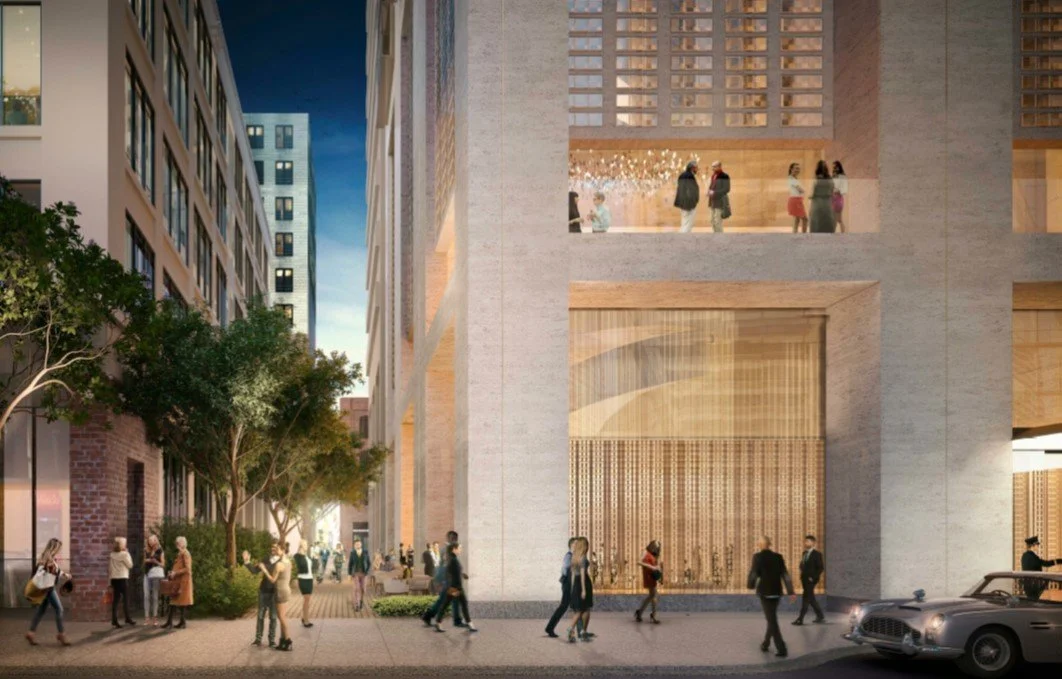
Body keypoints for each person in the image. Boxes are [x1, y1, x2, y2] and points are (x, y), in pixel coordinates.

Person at [747, 536, 796, 658]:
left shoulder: (757, 557)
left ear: (760, 544)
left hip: (765, 592)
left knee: (772, 620)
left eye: (758, 542)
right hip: (776, 592)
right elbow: (785, 575)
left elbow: (754, 573)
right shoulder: (778, 557)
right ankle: (766, 643)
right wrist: (791, 592)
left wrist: (750, 585)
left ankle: (781, 648)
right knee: (771, 618)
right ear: (769, 544)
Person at [25, 538, 70, 646]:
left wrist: (63, 574)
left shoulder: (44, 556)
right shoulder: (49, 559)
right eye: (59, 548)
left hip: (43, 587)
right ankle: (61, 634)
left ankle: (31, 632)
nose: (59, 550)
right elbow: (53, 571)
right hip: (48, 588)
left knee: (41, 610)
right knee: (59, 609)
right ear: (54, 547)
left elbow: (50, 570)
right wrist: (65, 575)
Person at [422, 530, 464, 627]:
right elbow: (446, 565)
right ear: (450, 538)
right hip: (448, 580)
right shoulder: (447, 550)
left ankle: (428, 615)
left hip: (448, 579)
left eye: (455, 539)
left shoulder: (448, 549)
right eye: (453, 538)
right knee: (453, 598)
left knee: (443, 600)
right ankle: (457, 620)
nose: (455, 540)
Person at [433, 542, 477, 633]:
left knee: (447, 604)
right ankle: (470, 624)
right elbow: (451, 573)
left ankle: (438, 622)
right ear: (454, 549)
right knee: (461, 604)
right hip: (455, 587)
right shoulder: (453, 560)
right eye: (459, 548)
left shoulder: (453, 559)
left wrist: (462, 575)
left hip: (454, 587)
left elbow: (455, 572)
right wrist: (458, 588)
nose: (460, 550)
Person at [259, 542, 293, 651]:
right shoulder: (289, 562)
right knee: (283, 616)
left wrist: (264, 570)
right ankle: (283, 641)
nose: (276, 551)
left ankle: (288, 641)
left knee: (282, 618)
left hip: (280, 591)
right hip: (286, 589)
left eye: (278, 549)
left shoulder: (279, 564)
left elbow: (273, 580)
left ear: (282, 550)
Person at [244, 545, 278, 647]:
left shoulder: (281, 562)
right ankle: (258, 639)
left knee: (273, 617)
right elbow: (254, 571)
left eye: (275, 548)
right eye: (271, 547)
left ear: (279, 549)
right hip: (263, 591)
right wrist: (247, 561)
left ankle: (271, 640)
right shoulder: (266, 559)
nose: (272, 549)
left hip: (274, 592)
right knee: (260, 616)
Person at [545, 537, 576, 638]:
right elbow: (564, 569)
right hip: (567, 584)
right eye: (575, 544)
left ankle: (550, 628)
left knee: (572, 607)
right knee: (563, 606)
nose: (577, 546)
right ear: (571, 545)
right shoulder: (569, 556)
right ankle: (550, 628)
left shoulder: (573, 556)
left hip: (570, 584)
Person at [792, 535, 824, 625]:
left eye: (808, 541)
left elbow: (820, 568)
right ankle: (820, 616)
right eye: (805, 541)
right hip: (804, 578)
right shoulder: (804, 553)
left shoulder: (817, 554)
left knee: (806, 598)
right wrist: (801, 568)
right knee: (811, 598)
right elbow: (802, 565)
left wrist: (813, 577)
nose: (806, 543)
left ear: (813, 543)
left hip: (811, 580)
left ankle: (800, 619)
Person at [566, 537, 593, 642]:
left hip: (576, 585)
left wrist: (572, 588)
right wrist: (584, 590)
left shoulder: (574, 558)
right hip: (584, 584)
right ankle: (577, 631)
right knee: (584, 609)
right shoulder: (583, 558)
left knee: (579, 609)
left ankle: (578, 632)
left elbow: (573, 575)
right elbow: (582, 575)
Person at [163, 536, 193, 629]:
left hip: (183, 581)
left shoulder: (185, 553)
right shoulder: (181, 553)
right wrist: (172, 573)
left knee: (180, 602)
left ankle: (177, 622)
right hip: (178, 581)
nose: (177, 544)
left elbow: (187, 569)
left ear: (183, 544)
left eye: (178, 543)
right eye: (176, 543)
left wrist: (175, 572)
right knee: (174, 601)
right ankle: (176, 622)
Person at [1021, 536, 1060, 600]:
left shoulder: (1024, 556)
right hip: (1034, 586)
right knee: (1034, 602)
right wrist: (1059, 561)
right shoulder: (1033, 557)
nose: (1038, 546)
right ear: (1033, 545)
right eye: (1037, 544)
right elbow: (1046, 564)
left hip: (1027, 585)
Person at [109, 537, 136, 628]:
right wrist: (128, 553)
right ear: (122, 545)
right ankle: (127, 618)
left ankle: (114, 619)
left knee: (115, 600)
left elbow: (110, 568)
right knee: (126, 599)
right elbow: (130, 565)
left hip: (114, 579)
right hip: (122, 578)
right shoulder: (124, 554)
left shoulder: (112, 554)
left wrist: (110, 580)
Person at [635, 540, 662, 624]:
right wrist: (651, 566)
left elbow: (656, 565)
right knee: (654, 595)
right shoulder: (645, 552)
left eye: (657, 547)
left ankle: (640, 612)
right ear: (651, 545)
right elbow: (639, 562)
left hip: (653, 576)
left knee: (652, 595)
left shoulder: (655, 555)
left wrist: (658, 568)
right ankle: (652, 615)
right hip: (648, 575)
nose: (656, 548)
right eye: (655, 546)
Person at [143, 534, 166, 627]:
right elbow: (144, 561)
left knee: (155, 596)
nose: (150, 542)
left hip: (156, 575)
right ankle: (147, 617)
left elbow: (163, 564)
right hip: (147, 574)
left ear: (156, 540)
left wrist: (156, 562)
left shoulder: (160, 551)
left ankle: (155, 617)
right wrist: (148, 560)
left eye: (152, 540)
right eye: (149, 540)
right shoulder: (146, 550)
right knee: (146, 596)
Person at [809, 160, 835, 233]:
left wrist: (810, 197)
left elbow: (812, 193)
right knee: (828, 223)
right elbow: (832, 191)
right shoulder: (830, 179)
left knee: (817, 224)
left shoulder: (816, 179)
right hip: (827, 204)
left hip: (817, 204)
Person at [674, 160, 700, 233]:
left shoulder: (682, 175)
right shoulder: (689, 176)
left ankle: (681, 239)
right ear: (692, 168)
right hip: (688, 204)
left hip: (683, 203)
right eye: (696, 168)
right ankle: (684, 241)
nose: (697, 170)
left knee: (684, 222)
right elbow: (690, 191)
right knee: (688, 224)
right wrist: (693, 201)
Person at [294, 540, 314, 628]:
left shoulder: (307, 555)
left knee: (307, 600)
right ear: (301, 545)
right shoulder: (297, 556)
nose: (307, 546)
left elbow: (310, 567)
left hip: (310, 579)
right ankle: (306, 620)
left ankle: (304, 617)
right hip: (303, 579)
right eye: (305, 544)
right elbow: (298, 566)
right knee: (306, 600)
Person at [707, 160, 731, 233]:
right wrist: (709, 192)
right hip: (712, 201)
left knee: (717, 221)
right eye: (712, 167)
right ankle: (715, 236)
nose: (712, 168)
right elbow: (712, 187)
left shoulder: (725, 176)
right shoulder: (713, 176)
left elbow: (727, 189)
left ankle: (720, 237)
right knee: (711, 220)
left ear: (719, 167)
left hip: (720, 202)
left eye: (714, 167)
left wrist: (714, 192)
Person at [348, 538, 372, 611]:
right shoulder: (352, 553)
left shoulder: (365, 552)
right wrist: (349, 574)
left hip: (364, 573)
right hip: (355, 573)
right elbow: (350, 564)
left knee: (363, 589)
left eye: (359, 544)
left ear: (361, 544)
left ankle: (361, 601)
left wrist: (367, 571)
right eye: (356, 544)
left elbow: (369, 563)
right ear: (354, 545)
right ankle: (357, 605)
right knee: (356, 589)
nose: (357, 545)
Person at [787, 163, 807, 233]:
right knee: (804, 219)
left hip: (796, 200)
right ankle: (803, 236)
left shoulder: (793, 178)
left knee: (797, 220)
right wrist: (804, 190)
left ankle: (795, 237)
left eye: (798, 168)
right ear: (791, 169)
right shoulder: (792, 179)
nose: (798, 170)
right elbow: (800, 190)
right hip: (796, 201)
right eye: (796, 168)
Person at [831, 160, 848, 233]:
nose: (834, 168)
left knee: (838, 219)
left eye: (835, 167)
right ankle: (835, 235)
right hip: (831, 198)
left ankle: (842, 235)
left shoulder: (842, 177)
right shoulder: (833, 176)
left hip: (838, 199)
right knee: (835, 219)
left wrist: (836, 191)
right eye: (833, 167)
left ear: (839, 167)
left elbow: (844, 189)